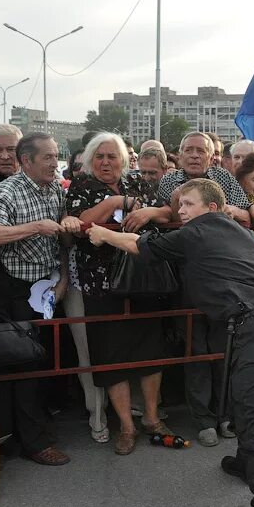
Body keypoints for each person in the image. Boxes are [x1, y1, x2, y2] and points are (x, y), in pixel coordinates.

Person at [87, 178, 254, 507]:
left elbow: (139, 244)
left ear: (212, 209)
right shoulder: (240, 233)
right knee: (245, 409)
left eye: (189, 205)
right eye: (179, 205)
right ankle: (245, 463)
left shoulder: (202, 230)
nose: (181, 211)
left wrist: (103, 234)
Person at [66, 132, 172, 454]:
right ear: (89, 159)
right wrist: (114, 202)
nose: (106, 162)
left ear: (124, 161)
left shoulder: (138, 183)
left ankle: (151, 418)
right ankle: (126, 427)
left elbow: (169, 213)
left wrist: (149, 213)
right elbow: (82, 223)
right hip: (101, 285)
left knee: (150, 348)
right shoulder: (81, 186)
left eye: (112, 156)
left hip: (142, 278)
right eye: (99, 156)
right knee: (111, 355)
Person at [0, 132, 75, 466]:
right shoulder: (9, 190)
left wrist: (62, 278)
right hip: (15, 293)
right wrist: (34, 226)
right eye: (47, 157)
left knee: (42, 365)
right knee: (25, 368)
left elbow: (60, 241)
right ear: (26, 161)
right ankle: (32, 443)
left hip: (48, 290)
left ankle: (34, 433)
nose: (54, 162)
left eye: (56, 156)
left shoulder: (55, 188)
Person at [157, 132, 251, 224]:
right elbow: (166, 219)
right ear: (180, 157)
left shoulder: (224, 177)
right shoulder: (168, 181)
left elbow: (246, 215)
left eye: (200, 151)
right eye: (188, 150)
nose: (194, 156)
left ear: (211, 158)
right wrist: (175, 201)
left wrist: (233, 211)